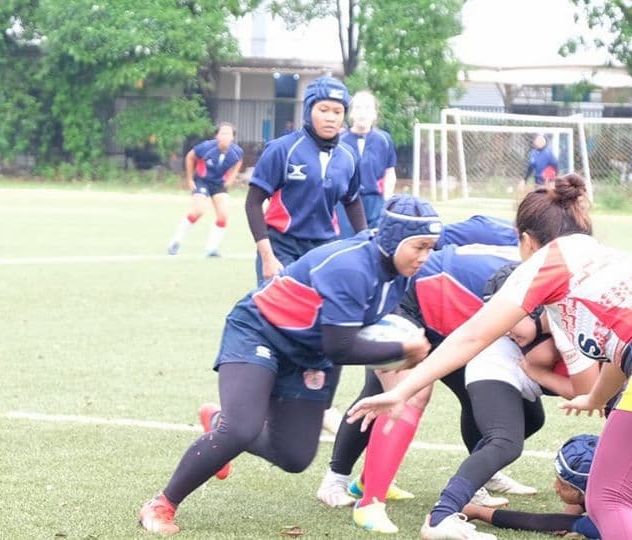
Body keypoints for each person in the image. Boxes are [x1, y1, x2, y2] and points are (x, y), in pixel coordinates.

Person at [348, 174, 632, 540]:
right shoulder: (604, 259)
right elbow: (626, 349)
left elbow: (471, 336)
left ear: (526, 240)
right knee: (630, 492)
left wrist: (403, 390)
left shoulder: (550, 260)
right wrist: (596, 399)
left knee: (607, 498)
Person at [137, 196, 441, 536]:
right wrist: (402, 350)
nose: (425, 257)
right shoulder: (351, 267)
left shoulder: (400, 268)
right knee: (241, 429)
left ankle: (220, 420)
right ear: (392, 239)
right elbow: (339, 346)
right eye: (419, 247)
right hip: (260, 331)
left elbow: (342, 340)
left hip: (308, 354)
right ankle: (162, 503)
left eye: (431, 248)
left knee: (294, 457)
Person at [319, 245, 532, 534]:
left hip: (455, 327)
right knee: (408, 393)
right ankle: (360, 496)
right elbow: (442, 238)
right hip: (408, 306)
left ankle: (376, 479)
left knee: (491, 395)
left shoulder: (552, 278)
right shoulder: (524, 256)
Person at [462, 434, 632, 540]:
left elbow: (543, 521)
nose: (554, 487)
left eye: (563, 484)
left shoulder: (610, 517)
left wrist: (477, 512)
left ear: (587, 491)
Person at [245, 75, 367, 286]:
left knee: (322, 315)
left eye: (338, 112)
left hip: (324, 249)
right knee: (279, 316)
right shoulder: (282, 149)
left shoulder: (349, 157)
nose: (331, 118)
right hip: (282, 246)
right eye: (323, 110)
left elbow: (352, 201)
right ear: (308, 111)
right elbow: (253, 203)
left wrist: (367, 243)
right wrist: (267, 257)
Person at [167, 123, 244, 257]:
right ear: (217, 136)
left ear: (233, 137)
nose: (225, 136)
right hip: (202, 181)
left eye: (228, 134)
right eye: (223, 133)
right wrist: (190, 179)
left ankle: (211, 248)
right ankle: (175, 242)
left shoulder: (236, 151)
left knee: (223, 215)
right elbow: (190, 156)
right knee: (199, 210)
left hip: (219, 184)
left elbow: (239, 161)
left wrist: (232, 178)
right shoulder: (206, 147)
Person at [336, 91, 398, 237]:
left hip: (374, 201)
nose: (362, 113)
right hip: (346, 202)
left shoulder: (384, 139)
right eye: (358, 108)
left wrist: (387, 198)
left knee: (373, 242)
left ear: (375, 113)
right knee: (346, 243)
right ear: (351, 113)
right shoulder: (339, 141)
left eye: (367, 108)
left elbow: (390, 171)